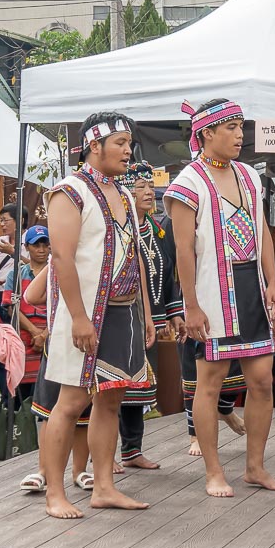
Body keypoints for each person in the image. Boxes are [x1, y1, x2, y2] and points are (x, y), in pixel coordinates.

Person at [166, 99, 275, 498]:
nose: (240, 135)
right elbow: (183, 250)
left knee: (262, 381)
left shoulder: (250, 177)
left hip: (251, 287)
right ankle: (213, 471)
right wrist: (190, 305)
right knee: (210, 383)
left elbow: (264, 235)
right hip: (211, 293)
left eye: (241, 127)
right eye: (231, 128)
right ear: (206, 134)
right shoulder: (189, 182)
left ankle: (255, 466)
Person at [41, 113, 156, 519]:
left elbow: (135, 255)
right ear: (95, 146)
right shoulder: (69, 191)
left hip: (124, 312)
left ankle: (104, 486)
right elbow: (61, 257)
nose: (128, 150)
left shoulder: (123, 194)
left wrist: (147, 313)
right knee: (71, 402)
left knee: (111, 399)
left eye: (129, 143)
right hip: (86, 314)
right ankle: (55, 493)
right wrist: (78, 317)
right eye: (121, 142)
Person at [116, 161, 183, 470]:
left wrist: (173, 314)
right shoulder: (119, 231)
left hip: (153, 321)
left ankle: (131, 449)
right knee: (114, 387)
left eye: (149, 186)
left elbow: (169, 275)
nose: (148, 192)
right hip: (125, 319)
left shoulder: (158, 229)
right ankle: (98, 455)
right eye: (139, 187)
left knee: (140, 389)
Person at [20, 263, 93, 495]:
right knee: (50, 411)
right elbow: (31, 295)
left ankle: (79, 470)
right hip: (60, 341)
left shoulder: (93, 253)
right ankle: (45, 470)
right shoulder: (59, 260)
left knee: (84, 412)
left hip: (87, 340)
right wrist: (55, 260)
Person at [7, 225, 51, 403]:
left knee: (50, 387)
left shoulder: (57, 273)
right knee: (22, 391)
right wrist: (35, 332)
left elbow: (62, 307)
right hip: (24, 338)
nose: (41, 250)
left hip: (51, 336)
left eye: (45, 244)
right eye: (36, 245)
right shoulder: (16, 274)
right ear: (26, 247)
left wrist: (45, 335)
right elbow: (11, 307)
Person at [0, 203, 29, 288]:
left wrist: (13, 253)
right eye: (1, 220)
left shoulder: (31, 241)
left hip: (23, 291)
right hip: (1, 291)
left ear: (20, 221)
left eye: (5, 220)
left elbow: (36, 266)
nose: (2, 224)